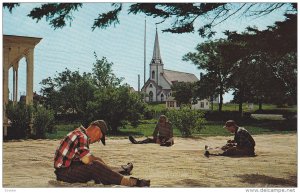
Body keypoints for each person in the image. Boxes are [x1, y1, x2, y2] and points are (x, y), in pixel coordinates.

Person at [53, 120, 150, 187]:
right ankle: (129, 182)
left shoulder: (78, 133)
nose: (98, 140)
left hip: (64, 171)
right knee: (95, 165)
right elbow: (86, 160)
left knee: (97, 166)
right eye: (100, 137)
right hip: (65, 173)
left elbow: (82, 160)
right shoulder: (82, 136)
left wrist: (99, 162)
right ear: (97, 130)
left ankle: (119, 170)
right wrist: (98, 161)